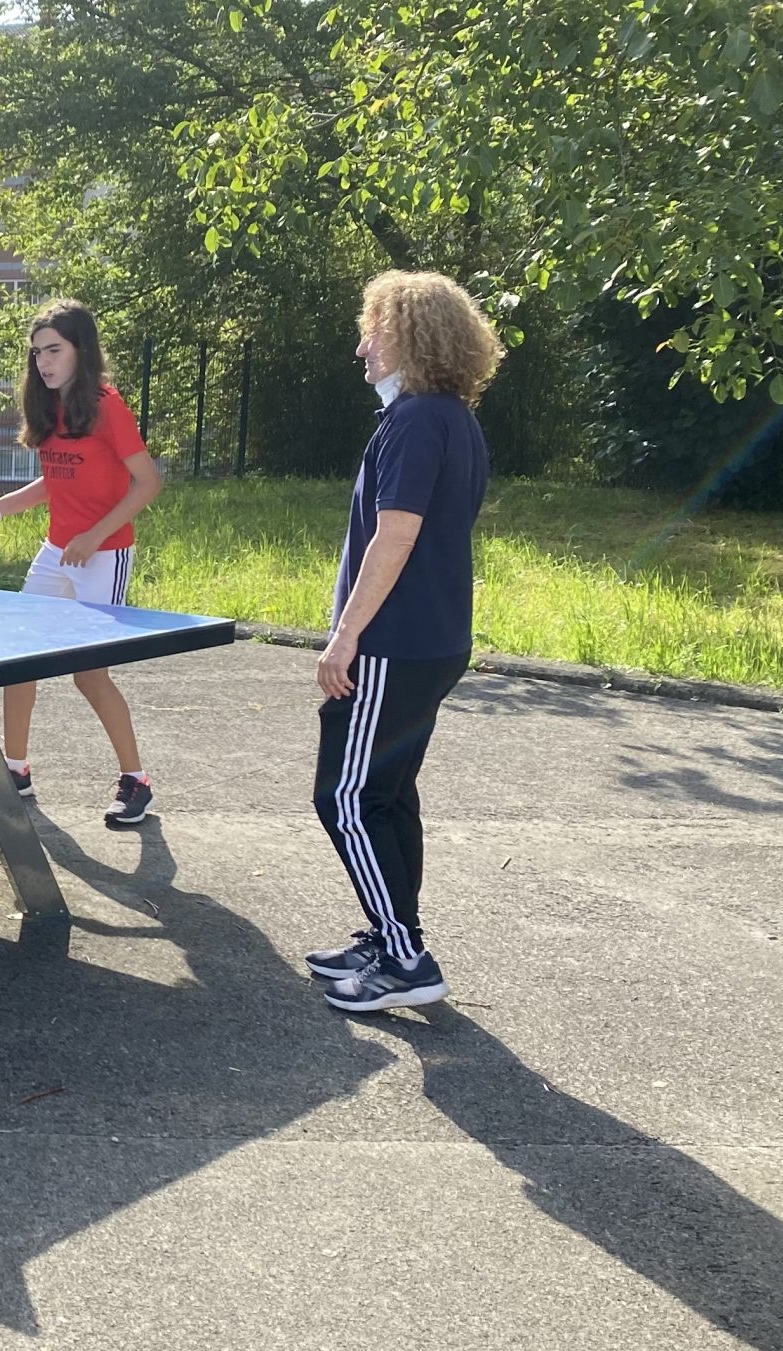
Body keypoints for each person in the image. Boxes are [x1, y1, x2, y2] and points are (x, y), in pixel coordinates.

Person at [308, 270, 503, 1014]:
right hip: (431, 640)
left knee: (347, 798)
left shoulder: (418, 421)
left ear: (414, 339)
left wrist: (345, 637)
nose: (362, 347)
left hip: (394, 643)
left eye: (376, 332)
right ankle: (391, 935)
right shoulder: (448, 418)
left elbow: (396, 536)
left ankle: (406, 959)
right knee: (387, 796)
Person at [0, 298, 164, 826]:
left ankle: (136, 781)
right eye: (37, 354)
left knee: (88, 674)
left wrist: (95, 536)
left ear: (81, 349)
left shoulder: (107, 406)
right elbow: (54, 483)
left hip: (106, 555)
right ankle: (15, 773)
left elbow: (148, 483)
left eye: (54, 350)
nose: (44, 363)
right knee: (20, 661)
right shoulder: (49, 408)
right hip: (57, 553)